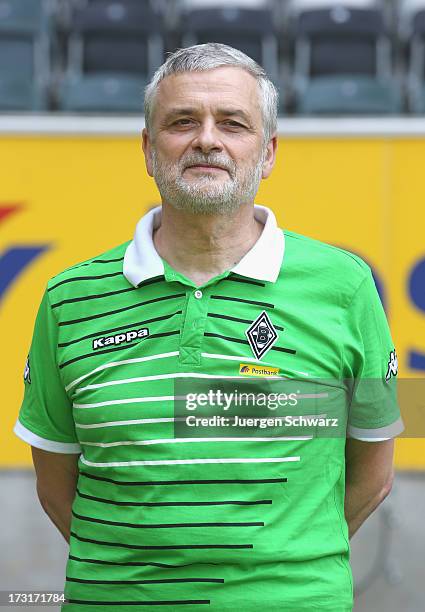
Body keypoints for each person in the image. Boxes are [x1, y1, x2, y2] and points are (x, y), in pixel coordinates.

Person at [14, 43, 404, 611]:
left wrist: (277, 569)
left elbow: (374, 471)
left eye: (233, 123)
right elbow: (55, 484)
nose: (207, 139)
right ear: (148, 150)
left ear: (268, 152)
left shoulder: (347, 286)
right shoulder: (66, 297)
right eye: (181, 122)